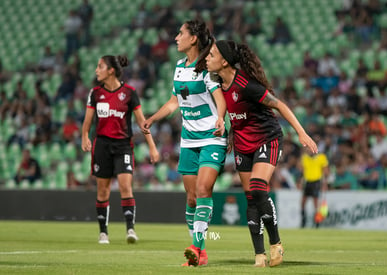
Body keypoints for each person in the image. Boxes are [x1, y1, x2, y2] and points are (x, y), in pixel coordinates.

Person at [205, 40, 318, 267]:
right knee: (251, 198)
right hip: (242, 144)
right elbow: (230, 112)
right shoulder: (218, 83)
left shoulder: (245, 84)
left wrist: (302, 134)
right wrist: (225, 128)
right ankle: (259, 254)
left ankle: (275, 243)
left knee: (258, 188)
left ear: (224, 61)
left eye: (212, 54)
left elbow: (280, 105)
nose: (207, 57)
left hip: (267, 138)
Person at [143, 20, 227, 267]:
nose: (176, 37)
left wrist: (221, 118)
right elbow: (173, 103)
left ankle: (196, 249)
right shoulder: (180, 66)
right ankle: (200, 250)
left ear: (193, 39)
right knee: (191, 198)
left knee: (203, 190)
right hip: (189, 140)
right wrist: (153, 118)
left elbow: (219, 99)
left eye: (180, 33)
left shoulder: (206, 68)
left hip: (212, 137)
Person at [81, 54, 159, 245]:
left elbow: (142, 122)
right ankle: (103, 232)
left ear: (111, 71)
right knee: (103, 190)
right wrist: (84, 136)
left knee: (125, 186)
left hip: (123, 145)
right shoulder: (95, 93)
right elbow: (88, 120)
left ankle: (130, 229)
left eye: (100, 67)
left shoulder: (130, 93)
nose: (96, 70)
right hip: (102, 146)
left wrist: (152, 146)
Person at [298, 150, 329, 228]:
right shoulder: (305, 158)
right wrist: (301, 181)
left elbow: (325, 170)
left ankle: (317, 222)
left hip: (316, 182)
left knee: (315, 203)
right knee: (303, 202)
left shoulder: (321, 157)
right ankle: (303, 221)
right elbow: (302, 170)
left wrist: (325, 183)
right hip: (307, 181)